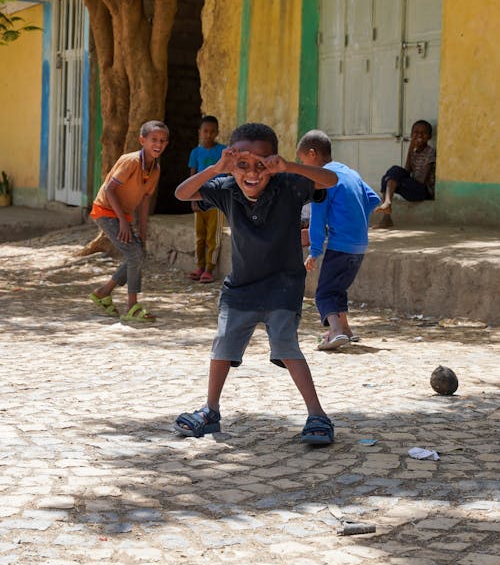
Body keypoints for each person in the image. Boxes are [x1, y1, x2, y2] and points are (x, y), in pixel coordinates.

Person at [173, 122, 338, 446]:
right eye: (242, 165)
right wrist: (219, 167)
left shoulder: (289, 184)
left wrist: (288, 165)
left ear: (273, 163)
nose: (252, 173)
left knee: (286, 344)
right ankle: (210, 410)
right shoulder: (225, 187)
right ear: (232, 165)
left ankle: (317, 414)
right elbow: (181, 193)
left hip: (284, 284)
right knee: (223, 345)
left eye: (261, 164)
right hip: (241, 286)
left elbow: (330, 179)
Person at [297, 130, 380, 350]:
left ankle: (334, 331)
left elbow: (317, 220)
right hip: (359, 245)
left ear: (313, 154)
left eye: (302, 161)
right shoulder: (350, 172)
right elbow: (374, 199)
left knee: (324, 292)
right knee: (338, 287)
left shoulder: (321, 181)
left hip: (340, 245)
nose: (303, 167)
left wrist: (315, 251)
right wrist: (353, 216)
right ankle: (346, 330)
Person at [88, 120, 169, 322]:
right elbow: (109, 189)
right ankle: (132, 306)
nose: (158, 144)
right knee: (134, 255)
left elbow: (144, 201)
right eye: (153, 140)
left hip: (122, 215)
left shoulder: (155, 170)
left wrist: (142, 232)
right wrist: (124, 222)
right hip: (105, 211)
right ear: (142, 140)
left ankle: (103, 293)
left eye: (162, 140)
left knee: (138, 253)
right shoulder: (131, 161)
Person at [187, 115, 226, 283]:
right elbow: (192, 177)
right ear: (200, 132)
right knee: (200, 235)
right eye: (205, 131)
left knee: (213, 236)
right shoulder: (195, 153)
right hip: (199, 198)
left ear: (217, 132)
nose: (208, 134)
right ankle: (199, 266)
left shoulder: (223, 151)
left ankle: (210, 268)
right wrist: (193, 200)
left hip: (216, 200)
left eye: (212, 131)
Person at [376, 120, 436, 228]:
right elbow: (406, 172)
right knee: (388, 177)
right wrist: (410, 150)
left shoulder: (430, 152)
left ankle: (387, 207)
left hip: (423, 190)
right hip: (413, 187)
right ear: (411, 135)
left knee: (393, 174)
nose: (419, 135)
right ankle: (387, 214)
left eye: (423, 133)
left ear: (429, 137)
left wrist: (400, 181)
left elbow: (421, 180)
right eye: (416, 133)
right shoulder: (414, 152)